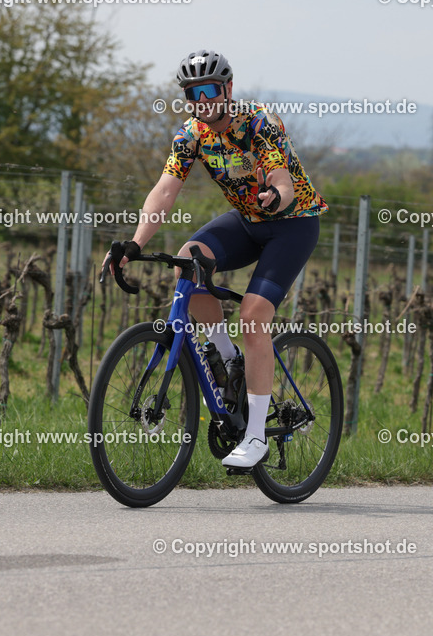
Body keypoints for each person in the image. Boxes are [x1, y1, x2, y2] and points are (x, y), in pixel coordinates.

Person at [107, 50, 328, 468]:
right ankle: (227, 357)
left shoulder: (260, 122)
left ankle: (258, 435)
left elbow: (283, 180)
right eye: (192, 94)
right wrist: (134, 244)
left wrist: (276, 196)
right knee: (187, 260)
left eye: (208, 90)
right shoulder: (190, 134)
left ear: (227, 89)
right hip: (246, 222)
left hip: (292, 223)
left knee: (253, 314)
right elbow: (165, 190)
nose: (201, 101)